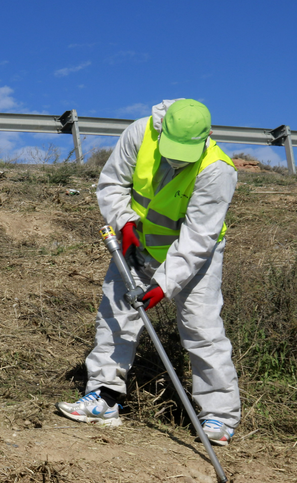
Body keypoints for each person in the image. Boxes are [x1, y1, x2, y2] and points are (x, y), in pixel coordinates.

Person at [55, 99, 240, 446]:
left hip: (194, 256)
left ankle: (219, 416)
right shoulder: (139, 133)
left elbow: (198, 238)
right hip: (134, 244)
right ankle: (104, 397)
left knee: (202, 328)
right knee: (115, 317)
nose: (175, 157)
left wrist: (164, 284)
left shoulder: (218, 169)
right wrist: (123, 222)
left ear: (208, 137)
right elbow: (112, 184)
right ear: (161, 128)